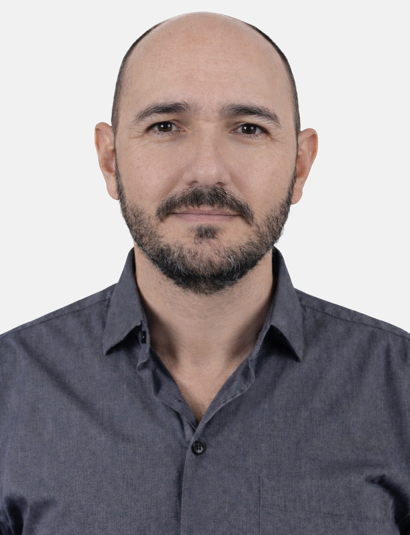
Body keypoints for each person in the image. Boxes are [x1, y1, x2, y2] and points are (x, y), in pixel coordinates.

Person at [0, 11, 409, 535]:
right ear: (110, 160)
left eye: (248, 128)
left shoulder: (399, 387)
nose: (208, 170)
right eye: (165, 126)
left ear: (300, 165)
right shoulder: (12, 386)